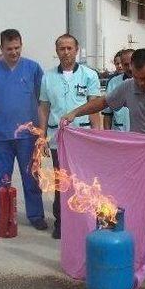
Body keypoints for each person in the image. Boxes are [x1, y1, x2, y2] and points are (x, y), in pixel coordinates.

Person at [62, 48, 145, 268]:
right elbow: (103, 103)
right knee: (136, 203)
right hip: (140, 159)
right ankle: (140, 243)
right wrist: (75, 112)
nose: (140, 83)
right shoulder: (128, 87)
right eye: (135, 77)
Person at [0, 29, 47, 230]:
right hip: (1, 135)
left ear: (21, 45)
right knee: (2, 178)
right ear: (1, 48)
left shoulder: (33, 68)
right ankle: (0, 214)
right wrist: (2, 116)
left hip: (28, 135)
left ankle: (36, 215)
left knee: (31, 177)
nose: (13, 52)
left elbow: (42, 100)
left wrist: (41, 131)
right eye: (9, 48)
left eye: (17, 48)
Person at [38, 34, 101, 239]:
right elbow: (44, 108)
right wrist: (42, 136)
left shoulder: (89, 75)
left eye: (69, 48)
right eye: (61, 49)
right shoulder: (47, 77)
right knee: (61, 182)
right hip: (58, 137)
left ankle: (85, 222)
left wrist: (97, 135)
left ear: (77, 50)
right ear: (56, 51)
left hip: (83, 136)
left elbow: (95, 107)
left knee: (84, 181)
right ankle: (61, 223)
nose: (65, 52)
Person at [102, 49, 133, 131]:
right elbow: (107, 113)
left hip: (140, 135)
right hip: (119, 132)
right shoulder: (113, 82)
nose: (129, 68)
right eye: (126, 64)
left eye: (132, 64)